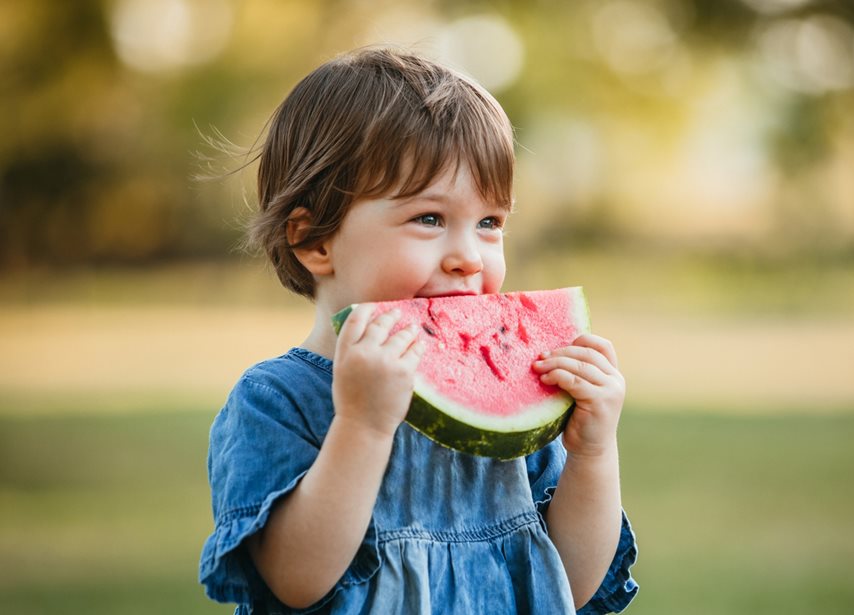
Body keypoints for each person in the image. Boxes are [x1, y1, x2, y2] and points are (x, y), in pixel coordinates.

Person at [198, 46, 638, 614]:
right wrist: (362, 424)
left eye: (489, 223)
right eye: (429, 219)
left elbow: (568, 586)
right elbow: (293, 579)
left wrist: (593, 455)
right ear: (314, 240)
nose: (469, 257)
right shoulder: (276, 401)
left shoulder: (514, 401)